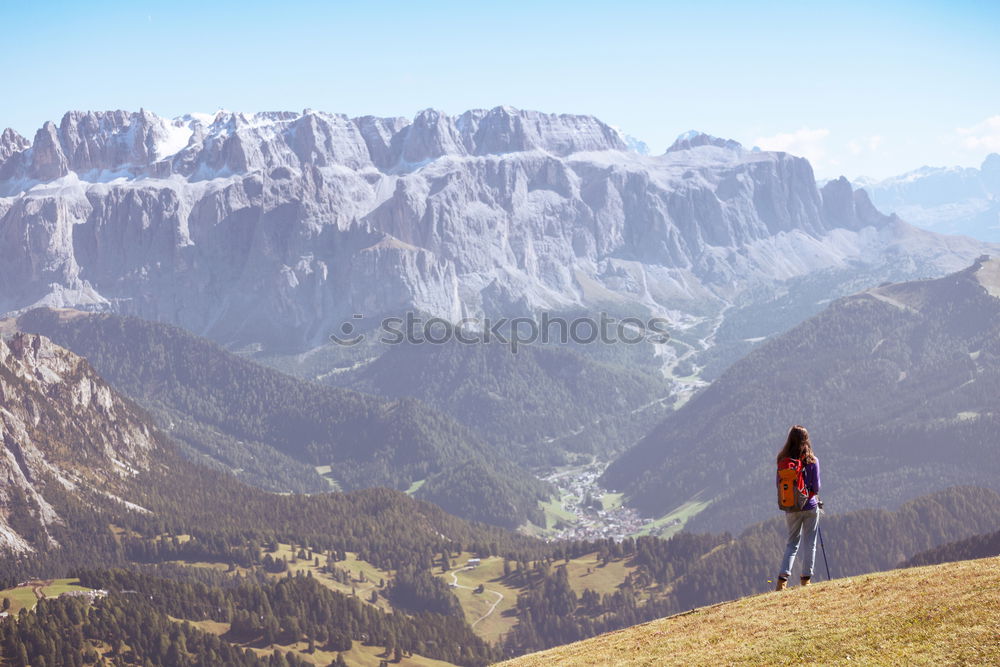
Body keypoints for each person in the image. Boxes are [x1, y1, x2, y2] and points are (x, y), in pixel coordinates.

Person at [775, 425, 821, 591]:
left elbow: (778, 485)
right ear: (806, 440)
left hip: (791, 507)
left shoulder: (782, 462)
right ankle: (805, 579)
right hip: (809, 505)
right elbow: (816, 487)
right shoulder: (812, 461)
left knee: (792, 543)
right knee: (810, 542)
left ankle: (782, 580)